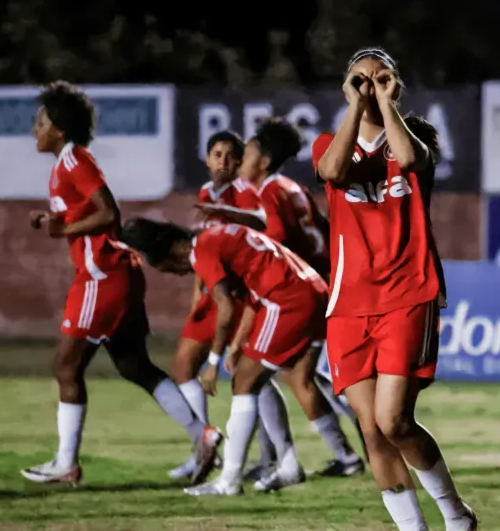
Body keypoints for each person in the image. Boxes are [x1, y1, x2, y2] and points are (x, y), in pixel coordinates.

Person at [311, 48, 477, 531]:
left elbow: (406, 160)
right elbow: (335, 171)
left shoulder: (415, 140)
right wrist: (353, 109)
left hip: (408, 292)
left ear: (397, 84)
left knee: (394, 420)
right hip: (349, 302)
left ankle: (458, 515)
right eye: (359, 79)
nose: (369, 85)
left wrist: (384, 104)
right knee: (372, 430)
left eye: (381, 77)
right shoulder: (330, 141)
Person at [22, 81, 207, 484]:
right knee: (134, 365)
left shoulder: (74, 161)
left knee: (65, 364)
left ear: (60, 128)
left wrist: (63, 226)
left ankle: (66, 463)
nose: (35, 130)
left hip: (101, 276)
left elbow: (109, 214)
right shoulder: (67, 165)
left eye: (41, 122)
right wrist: (50, 220)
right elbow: (83, 217)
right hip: (115, 274)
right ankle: (204, 436)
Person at [199, 119, 366, 485]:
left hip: (308, 291)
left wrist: (241, 239)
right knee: (300, 376)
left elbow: (275, 238)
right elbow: (317, 226)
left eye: (251, 149)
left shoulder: (272, 190)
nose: (243, 156)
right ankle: (339, 452)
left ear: (265, 158)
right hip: (325, 283)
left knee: (272, 373)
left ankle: (327, 452)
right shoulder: (288, 187)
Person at [119, 218, 327, 496]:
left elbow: (226, 308)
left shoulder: (202, 249)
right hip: (310, 291)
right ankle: (288, 465)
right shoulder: (218, 237)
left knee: (244, 382)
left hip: (288, 300)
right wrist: (238, 345)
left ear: (166, 255)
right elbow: (251, 297)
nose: (179, 275)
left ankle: (229, 480)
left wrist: (213, 364)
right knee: (256, 379)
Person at [167, 130, 295, 485]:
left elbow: (262, 229)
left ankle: (271, 457)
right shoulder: (207, 194)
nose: (223, 160)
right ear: (207, 160)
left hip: (242, 297)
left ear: (240, 162)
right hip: (214, 294)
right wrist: (197, 292)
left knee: (252, 377)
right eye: (216, 153)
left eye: (229, 155)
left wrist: (230, 213)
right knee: (184, 369)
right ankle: (204, 449)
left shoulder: (246, 194)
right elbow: (206, 252)